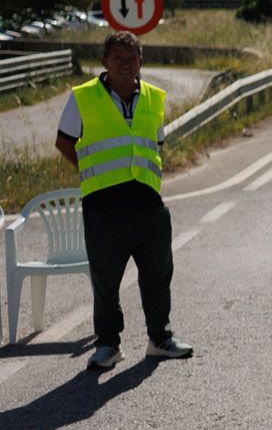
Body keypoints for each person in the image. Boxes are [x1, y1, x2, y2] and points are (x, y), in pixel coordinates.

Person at [53, 30, 194, 370]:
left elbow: (153, 146)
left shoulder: (154, 97)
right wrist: (90, 170)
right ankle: (108, 346)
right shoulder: (83, 97)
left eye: (132, 59)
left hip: (148, 205)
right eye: (118, 58)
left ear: (141, 62)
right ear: (104, 61)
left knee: (158, 277)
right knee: (106, 284)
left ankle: (160, 339)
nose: (125, 65)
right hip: (104, 207)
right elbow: (63, 142)